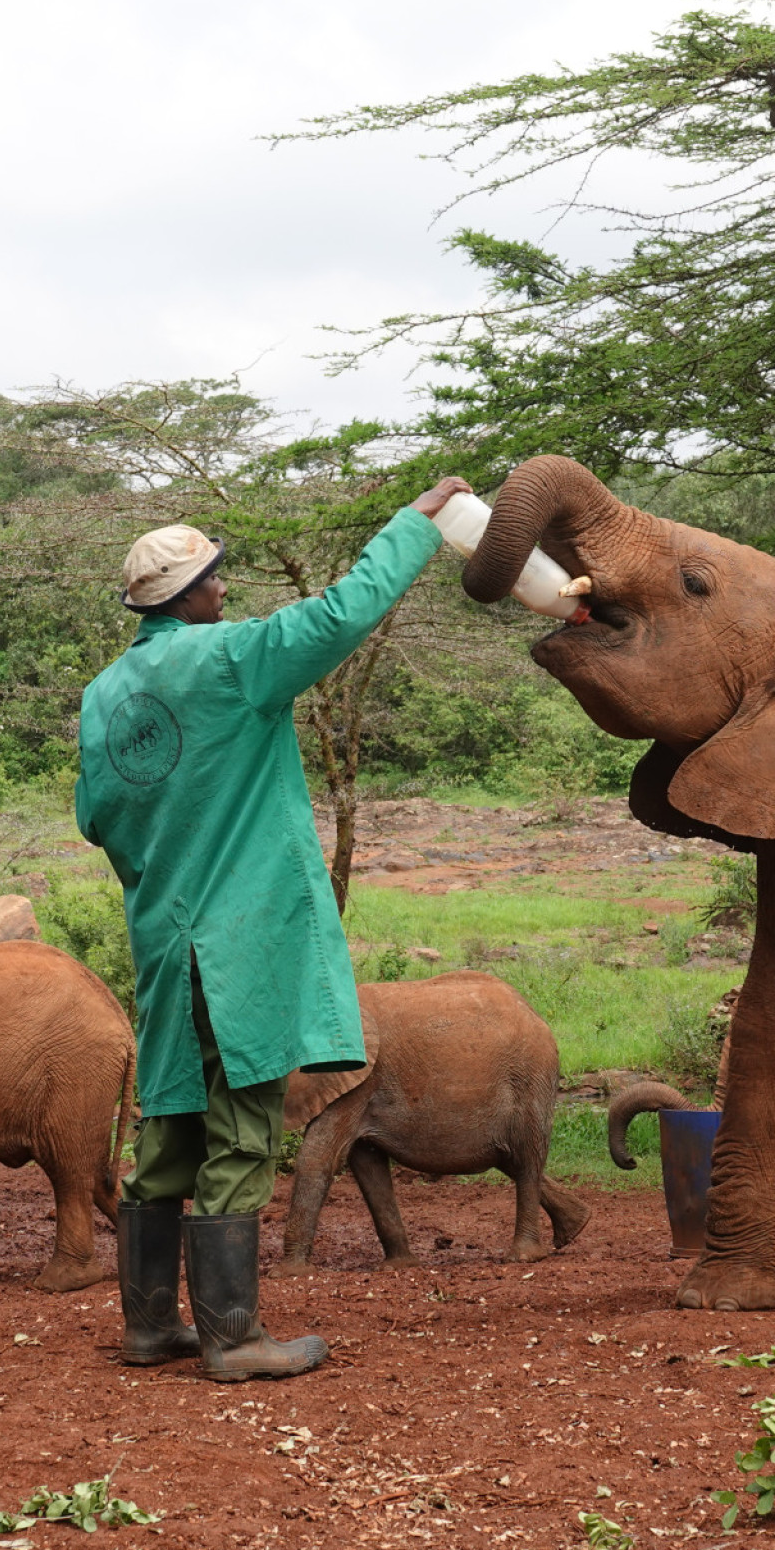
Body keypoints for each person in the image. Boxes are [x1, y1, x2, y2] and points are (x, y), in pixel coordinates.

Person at [75, 476, 471, 1381]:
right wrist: (410, 529)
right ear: (192, 593)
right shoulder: (230, 658)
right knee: (244, 1127)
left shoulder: (106, 696)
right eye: (217, 577)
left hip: (164, 940)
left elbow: (95, 816)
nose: (226, 590)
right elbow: (339, 616)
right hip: (235, 942)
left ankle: (149, 1327)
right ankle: (232, 1336)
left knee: (168, 1123)